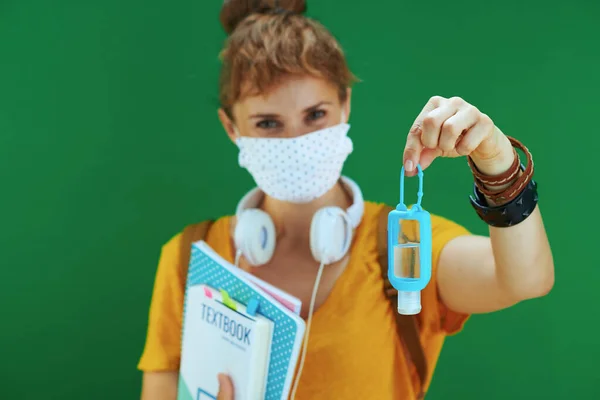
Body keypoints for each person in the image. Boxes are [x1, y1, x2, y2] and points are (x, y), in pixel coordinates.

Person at [137, 1, 554, 399]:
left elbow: (526, 279)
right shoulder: (190, 259)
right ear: (231, 128)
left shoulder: (399, 247)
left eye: (315, 115)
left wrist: (499, 164)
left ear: (345, 105)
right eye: (268, 123)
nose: (296, 141)